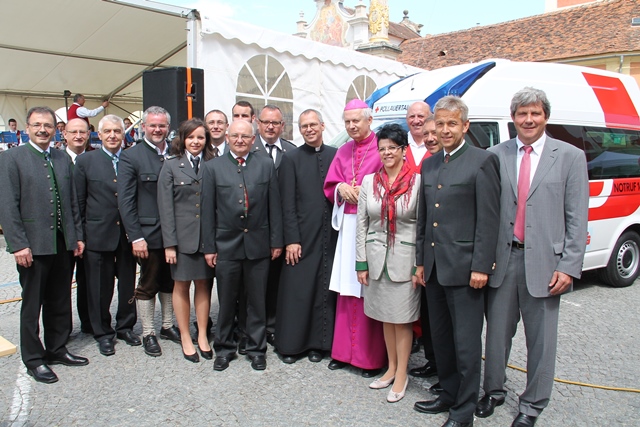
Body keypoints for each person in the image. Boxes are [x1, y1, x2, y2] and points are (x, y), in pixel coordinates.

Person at [476, 88, 589, 427]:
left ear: (545, 117)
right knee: (496, 333)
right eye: (522, 113)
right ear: (513, 117)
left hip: (546, 264)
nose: (528, 120)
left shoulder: (569, 156)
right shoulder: (494, 154)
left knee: (541, 340)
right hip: (503, 259)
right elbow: (487, 211)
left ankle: (532, 404)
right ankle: (494, 390)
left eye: (535, 113)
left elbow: (577, 216)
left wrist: (569, 266)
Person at [413, 96, 500, 427]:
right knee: (442, 338)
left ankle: (463, 412)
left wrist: (481, 265)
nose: (445, 130)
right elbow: (424, 217)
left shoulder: (482, 161)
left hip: (465, 270)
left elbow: (488, 220)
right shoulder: (431, 163)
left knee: (465, 344)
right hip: (434, 268)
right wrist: (421, 261)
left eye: (452, 123)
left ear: (465, 125)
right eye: (441, 123)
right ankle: (448, 393)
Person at [0, 106, 88, 384]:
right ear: (27, 128)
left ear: (55, 129)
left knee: (60, 299)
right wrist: (18, 245)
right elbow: (7, 206)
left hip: (62, 243)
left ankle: (57, 348)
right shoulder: (11, 159)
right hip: (32, 245)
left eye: (48, 125)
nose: (42, 130)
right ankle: (34, 359)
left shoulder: (62, 159)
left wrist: (76, 237)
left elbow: (72, 201)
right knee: (32, 303)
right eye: (37, 125)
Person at [202, 120, 283, 371]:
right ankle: (224, 348)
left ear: (252, 138)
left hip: (259, 245)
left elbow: (274, 207)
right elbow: (207, 211)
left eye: (245, 137)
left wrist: (276, 241)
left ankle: (256, 348)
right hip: (226, 245)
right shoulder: (212, 167)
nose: (240, 140)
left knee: (257, 301)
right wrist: (209, 247)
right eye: (235, 136)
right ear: (227, 137)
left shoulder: (265, 165)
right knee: (227, 300)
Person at [355, 123, 421, 403]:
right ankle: (391, 368)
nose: (386, 153)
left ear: (403, 150)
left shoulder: (418, 182)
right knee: (385, 316)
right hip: (375, 258)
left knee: (402, 319)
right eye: (382, 149)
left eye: (392, 148)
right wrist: (361, 262)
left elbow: (422, 226)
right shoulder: (370, 182)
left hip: (404, 261)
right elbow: (362, 224)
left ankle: (403, 373)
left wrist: (421, 264)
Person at [323, 99, 386, 378]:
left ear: (369, 120)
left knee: (367, 288)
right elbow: (330, 184)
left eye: (356, 121)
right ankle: (342, 352)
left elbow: (393, 182)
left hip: (373, 228)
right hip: (348, 225)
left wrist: (367, 191)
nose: (351, 126)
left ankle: (368, 358)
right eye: (347, 121)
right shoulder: (343, 150)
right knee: (347, 289)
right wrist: (341, 188)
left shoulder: (382, 146)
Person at [275, 109, 338, 364]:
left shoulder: (336, 155)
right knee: (298, 289)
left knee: (324, 288)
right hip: (301, 234)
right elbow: (286, 203)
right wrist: (291, 239)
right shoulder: (291, 158)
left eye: (313, 125)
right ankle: (292, 345)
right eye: (304, 126)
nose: (309, 129)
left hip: (329, 235)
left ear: (322, 125)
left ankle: (320, 344)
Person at [118, 106, 181, 357]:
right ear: (143, 126)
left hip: (174, 234)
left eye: (162, 125)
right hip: (149, 234)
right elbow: (126, 202)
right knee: (148, 284)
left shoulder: (176, 153)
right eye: (152, 125)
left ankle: (167, 326)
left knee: (170, 281)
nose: (157, 129)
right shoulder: (131, 156)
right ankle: (148, 332)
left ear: (168, 126)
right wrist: (136, 236)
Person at [74, 115, 138, 356]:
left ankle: (125, 326)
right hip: (97, 234)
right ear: (98, 135)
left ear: (124, 135)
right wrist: (80, 236)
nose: (113, 135)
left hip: (126, 234)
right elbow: (79, 201)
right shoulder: (86, 161)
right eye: (108, 131)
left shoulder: (131, 160)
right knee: (99, 287)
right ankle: (102, 332)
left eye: (117, 131)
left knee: (127, 284)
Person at [158, 118, 215, 363]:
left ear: (206, 140)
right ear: (182, 139)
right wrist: (169, 244)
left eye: (200, 137)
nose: (195, 142)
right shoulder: (170, 166)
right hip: (181, 240)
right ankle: (184, 336)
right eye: (191, 137)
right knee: (181, 286)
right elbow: (165, 208)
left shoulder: (213, 164)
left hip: (208, 239)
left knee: (204, 285)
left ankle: (202, 334)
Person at [252, 104, 296, 346]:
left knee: (276, 282)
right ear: (258, 123)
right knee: (254, 282)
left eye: (275, 123)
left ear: (282, 126)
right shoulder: (248, 148)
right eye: (266, 122)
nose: (270, 126)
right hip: (254, 228)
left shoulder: (292, 152)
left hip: (281, 228)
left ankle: (271, 325)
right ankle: (250, 326)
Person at [409, 113, 442, 392]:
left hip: (453, 260)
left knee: (449, 324)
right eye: (427, 133)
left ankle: (448, 374)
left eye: (436, 131)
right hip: (428, 256)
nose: (430, 138)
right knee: (430, 315)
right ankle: (433, 360)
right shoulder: (428, 165)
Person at [63, 118, 91, 334]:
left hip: (87, 233)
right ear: (64, 134)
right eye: (74, 132)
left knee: (86, 281)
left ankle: (88, 323)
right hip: (62, 233)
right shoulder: (56, 159)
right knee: (60, 284)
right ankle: (61, 330)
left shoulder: (92, 159)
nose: (78, 136)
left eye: (83, 132)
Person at [405, 101, 433, 173]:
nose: (416, 121)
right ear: (406, 119)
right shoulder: (399, 145)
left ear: (430, 118)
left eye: (420, 116)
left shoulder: (437, 145)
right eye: (412, 116)